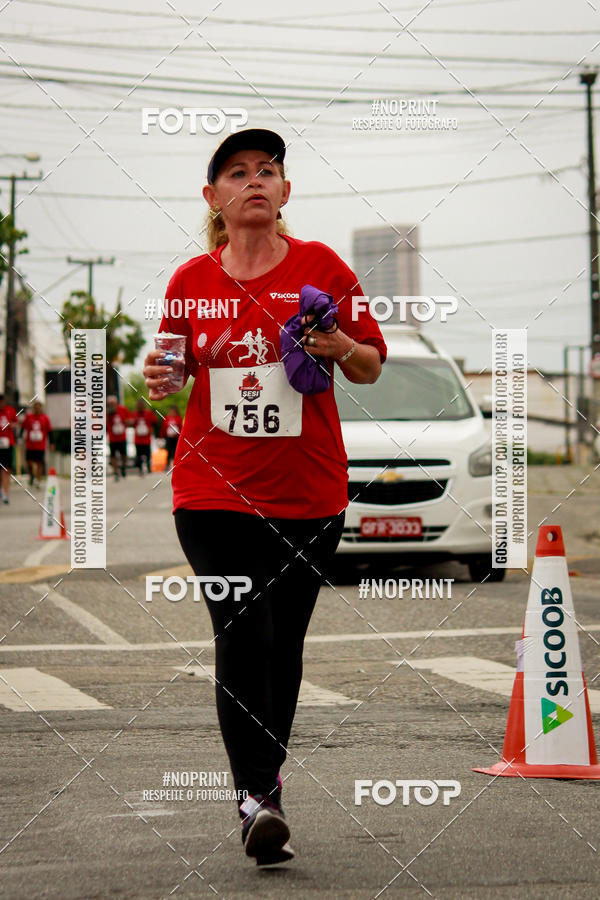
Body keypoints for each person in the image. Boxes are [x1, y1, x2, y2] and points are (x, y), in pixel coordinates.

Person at [142, 128, 386, 866]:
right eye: (238, 172)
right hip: (211, 494)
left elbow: (372, 364)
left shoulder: (322, 269)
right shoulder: (191, 281)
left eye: (268, 171)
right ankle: (257, 798)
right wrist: (161, 380)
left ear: (285, 192)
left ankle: (263, 782)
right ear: (213, 197)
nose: (255, 180)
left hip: (309, 494)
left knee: (283, 649)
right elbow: (172, 370)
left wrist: (337, 347)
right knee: (242, 633)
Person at [21, 401, 53, 489]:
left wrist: (51, 443)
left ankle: (38, 480)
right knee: (29, 463)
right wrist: (20, 437)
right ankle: (32, 476)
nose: (37, 409)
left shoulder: (45, 418)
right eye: (36, 407)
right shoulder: (29, 417)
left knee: (40, 463)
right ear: (33, 408)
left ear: (41, 408)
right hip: (30, 445)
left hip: (40, 445)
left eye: (39, 407)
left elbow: (50, 431)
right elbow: (22, 428)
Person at [106, 395, 131, 481]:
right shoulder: (107, 412)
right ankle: (115, 472)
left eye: (113, 403)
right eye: (110, 403)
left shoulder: (122, 409)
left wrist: (125, 422)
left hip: (122, 437)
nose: (111, 405)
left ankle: (123, 467)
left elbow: (129, 420)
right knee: (113, 455)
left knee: (123, 454)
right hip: (112, 438)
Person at [131, 397, 157, 476]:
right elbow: (131, 423)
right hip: (138, 438)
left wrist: (151, 431)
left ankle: (149, 467)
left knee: (147, 453)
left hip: (146, 438)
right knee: (138, 454)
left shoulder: (148, 413)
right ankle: (140, 469)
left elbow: (154, 422)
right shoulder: (134, 414)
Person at [0, 393, 18, 505]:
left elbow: (16, 422)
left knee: (6, 469)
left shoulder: (10, 410)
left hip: (8, 443)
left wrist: (12, 425)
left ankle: (6, 493)